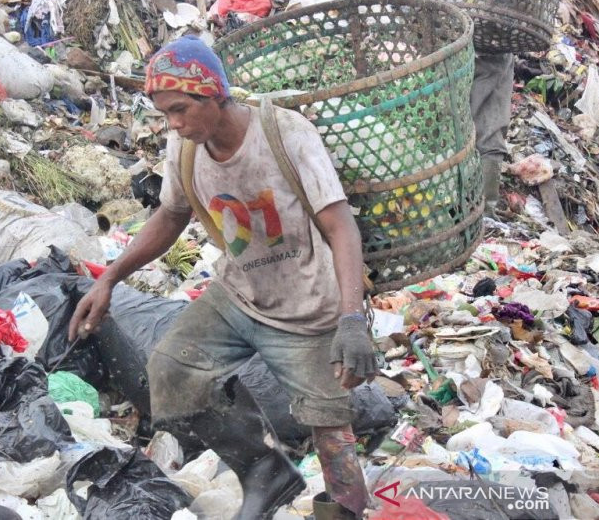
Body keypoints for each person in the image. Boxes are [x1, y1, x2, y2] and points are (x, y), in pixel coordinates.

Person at [69, 35, 378, 520]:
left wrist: (351, 319)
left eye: (180, 109)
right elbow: (170, 217)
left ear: (213, 93)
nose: (173, 123)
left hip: (307, 304)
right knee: (171, 370)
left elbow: (341, 225)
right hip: (237, 296)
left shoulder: (284, 134)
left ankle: (347, 514)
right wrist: (109, 278)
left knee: (330, 431)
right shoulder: (185, 148)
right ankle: (265, 472)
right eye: (164, 113)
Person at [471, 53, 514, 213]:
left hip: (456, 47)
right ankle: (484, 209)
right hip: (491, 47)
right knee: (490, 131)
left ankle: (483, 208)